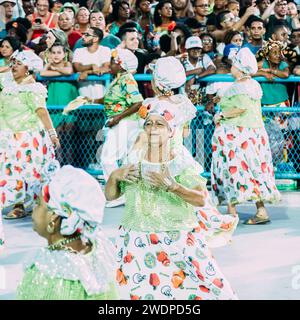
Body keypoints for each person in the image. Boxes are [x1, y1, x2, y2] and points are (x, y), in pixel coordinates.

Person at [105, 60, 238, 299]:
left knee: (180, 202)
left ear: (157, 81)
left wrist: (137, 156)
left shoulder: (150, 105)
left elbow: (146, 134)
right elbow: (184, 133)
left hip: (162, 154)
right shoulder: (184, 104)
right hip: (169, 150)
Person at [17, 164, 119, 300]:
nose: (34, 210)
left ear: (54, 217)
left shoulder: (48, 271)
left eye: (39, 204)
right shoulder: (99, 257)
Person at [211, 47, 281, 225]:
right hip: (254, 133)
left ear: (240, 68)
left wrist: (221, 115)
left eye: (233, 65)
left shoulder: (239, 86)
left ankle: (232, 212)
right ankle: (260, 209)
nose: (231, 68)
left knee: (233, 169)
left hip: (237, 134)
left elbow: (239, 108)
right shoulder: (254, 85)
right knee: (254, 169)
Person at [0, 50, 59, 227]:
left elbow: (42, 111)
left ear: (28, 68)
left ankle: (25, 205)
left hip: (26, 137)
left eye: (18, 63)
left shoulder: (33, 89)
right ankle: (18, 203)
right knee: (9, 171)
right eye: (13, 63)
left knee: (26, 172)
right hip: (8, 135)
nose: (13, 66)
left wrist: (52, 133)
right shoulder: (8, 83)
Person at [100, 48, 144, 207]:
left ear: (121, 64)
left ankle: (117, 194)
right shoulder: (118, 79)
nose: (110, 64)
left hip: (123, 122)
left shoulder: (126, 79)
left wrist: (118, 118)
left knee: (107, 158)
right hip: (120, 122)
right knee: (124, 159)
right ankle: (127, 192)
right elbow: (110, 100)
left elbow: (138, 102)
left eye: (113, 61)